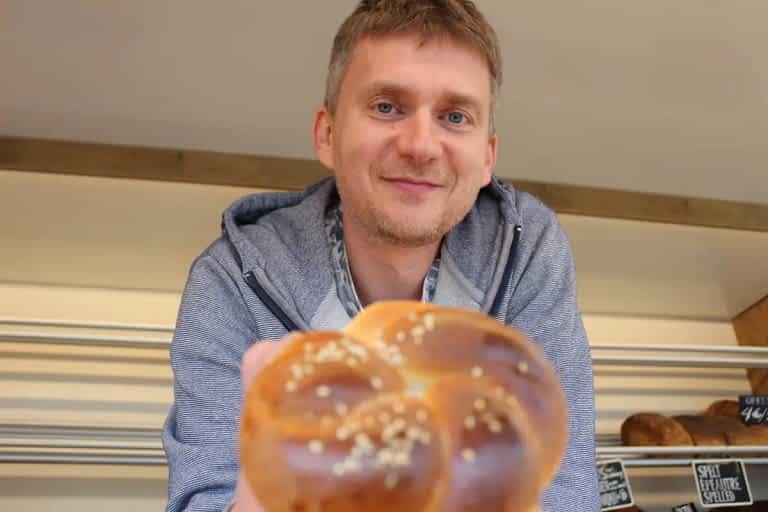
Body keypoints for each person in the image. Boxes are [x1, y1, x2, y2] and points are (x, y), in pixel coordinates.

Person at [162, 1, 600, 511]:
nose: (421, 145)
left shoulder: (528, 252)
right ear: (327, 134)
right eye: (387, 107)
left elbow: (565, 491)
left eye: (455, 117)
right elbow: (205, 498)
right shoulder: (231, 282)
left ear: (487, 157)